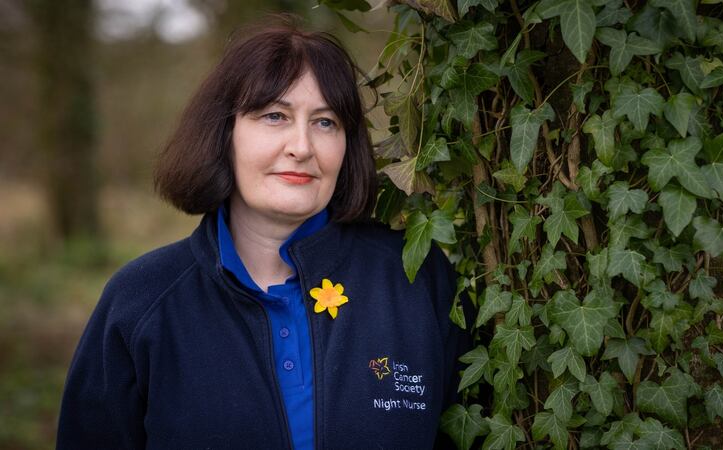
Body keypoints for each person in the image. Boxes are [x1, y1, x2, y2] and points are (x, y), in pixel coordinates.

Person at [56, 15, 469, 450]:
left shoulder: (413, 278)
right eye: (274, 116)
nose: (302, 146)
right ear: (224, 133)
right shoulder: (141, 302)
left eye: (325, 121)